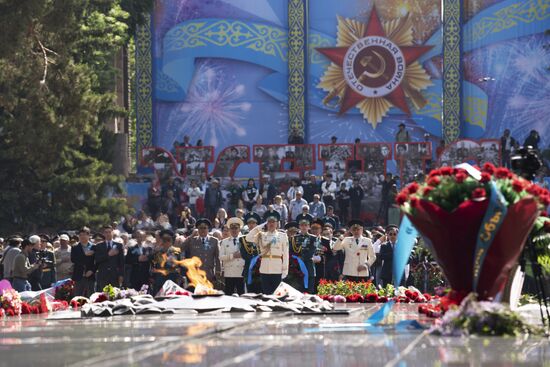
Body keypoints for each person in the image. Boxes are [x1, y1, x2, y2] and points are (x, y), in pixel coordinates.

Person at [246, 211, 289, 294]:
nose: (271, 224)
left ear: (277, 224)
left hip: (277, 269)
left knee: (277, 295)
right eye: (269, 222)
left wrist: (285, 270)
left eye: (273, 222)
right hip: (265, 269)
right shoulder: (261, 235)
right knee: (266, 294)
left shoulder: (282, 236)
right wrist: (260, 226)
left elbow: (286, 254)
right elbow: (248, 238)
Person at [181, 218, 221, 283]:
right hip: (195, 273)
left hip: (208, 273)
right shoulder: (192, 240)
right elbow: (181, 248)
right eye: (200, 228)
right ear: (197, 229)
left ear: (208, 229)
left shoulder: (214, 241)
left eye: (205, 228)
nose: (202, 230)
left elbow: (218, 257)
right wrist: (191, 236)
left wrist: (218, 271)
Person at [288, 218, 317, 293]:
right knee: (297, 284)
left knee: (310, 282)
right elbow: (291, 251)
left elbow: (312, 250)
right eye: (302, 225)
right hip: (297, 264)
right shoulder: (294, 238)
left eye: (306, 225)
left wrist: (302, 258)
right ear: (299, 227)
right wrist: (297, 259)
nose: (304, 227)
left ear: (309, 227)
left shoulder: (313, 238)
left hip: (308, 263)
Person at [151, 229, 184, 295]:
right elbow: (153, 267)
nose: (166, 242)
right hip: (159, 282)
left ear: (172, 240)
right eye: (164, 240)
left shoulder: (177, 252)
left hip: (173, 280)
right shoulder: (156, 252)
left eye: (168, 239)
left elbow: (181, 266)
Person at [219, 217, 245, 295]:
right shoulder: (224, 242)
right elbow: (221, 257)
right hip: (229, 273)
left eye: (236, 228)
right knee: (229, 294)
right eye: (232, 228)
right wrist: (232, 256)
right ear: (229, 230)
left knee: (241, 295)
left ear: (239, 230)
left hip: (241, 272)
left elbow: (249, 255)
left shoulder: (244, 240)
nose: (234, 230)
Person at [94, 225, 125, 290]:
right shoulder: (99, 245)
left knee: (115, 295)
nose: (108, 234)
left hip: (115, 275)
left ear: (112, 233)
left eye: (109, 232)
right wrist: (108, 255)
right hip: (103, 275)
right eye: (106, 232)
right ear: (103, 234)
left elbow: (121, 262)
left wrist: (121, 275)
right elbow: (97, 259)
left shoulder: (118, 245)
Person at [240, 213, 262, 293]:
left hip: (261, 269)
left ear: (257, 224)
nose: (251, 225)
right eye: (249, 223)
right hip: (249, 268)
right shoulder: (242, 239)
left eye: (253, 223)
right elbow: (243, 254)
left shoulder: (262, 237)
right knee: (250, 293)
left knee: (261, 293)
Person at [71, 227, 96, 297]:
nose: (82, 237)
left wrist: (92, 270)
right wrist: (84, 255)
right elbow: (73, 259)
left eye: (84, 235)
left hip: (90, 276)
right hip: (79, 275)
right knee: (77, 297)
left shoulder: (94, 247)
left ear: (89, 236)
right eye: (80, 235)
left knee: (91, 296)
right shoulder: (75, 247)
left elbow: (97, 262)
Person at [309, 218, 334, 291]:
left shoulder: (325, 241)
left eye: (317, 228)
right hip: (308, 267)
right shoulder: (307, 239)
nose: (315, 230)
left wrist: (322, 258)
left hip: (321, 268)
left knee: (319, 289)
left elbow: (330, 255)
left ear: (321, 230)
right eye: (313, 228)